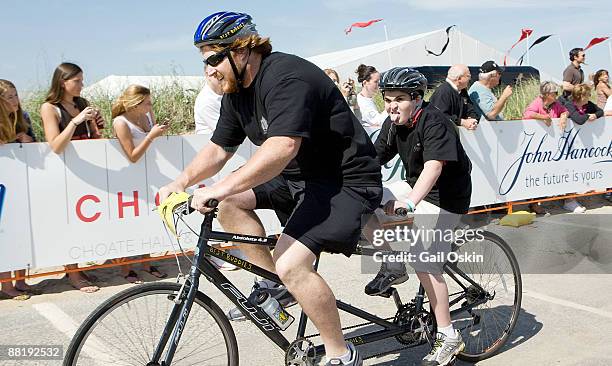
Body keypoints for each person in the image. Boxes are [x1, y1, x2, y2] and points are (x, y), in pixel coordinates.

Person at [159, 12, 382, 366]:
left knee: (291, 262)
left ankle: (341, 353)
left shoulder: (286, 77)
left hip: (343, 179)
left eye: (214, 58)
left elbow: (282, 147)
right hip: (298, 177)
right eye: (204, 60)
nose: (209, 69)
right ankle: (274, 285)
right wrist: (180, 182)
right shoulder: (236, 92)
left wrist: (215, 188)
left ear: (244, 50)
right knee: (230, 204)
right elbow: (219, 148)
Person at [367, 67, 470, 366]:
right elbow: (374, 159)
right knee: (365, 200)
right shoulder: (393, 123)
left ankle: (449, 335)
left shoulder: (434, 121)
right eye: (387, 99)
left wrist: (409, 204)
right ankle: (393, 264)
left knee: (425, 262)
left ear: (416, 99)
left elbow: (433, 168)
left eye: (399, 99)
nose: (391, 106)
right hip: (418, 189)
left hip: (446, 198)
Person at [40, 62, 104, 293]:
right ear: (62, 82)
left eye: (81, 80)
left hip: (87, 171)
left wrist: (96, 126)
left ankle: (79, 269)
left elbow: (95, 140)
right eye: (76, 81)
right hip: (65, 173)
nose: (81, 85)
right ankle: (74, 273)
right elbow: (55, 144)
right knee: (69, 222)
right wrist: (76, 121)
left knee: (86, 221)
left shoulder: (82, 104)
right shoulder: (50, 108)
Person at [111, 84, 169, 282]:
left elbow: (150, 130)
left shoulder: (144, 117)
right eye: (147, 103)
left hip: (149, 174)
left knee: (148, 218)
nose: (150, 106)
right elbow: (132, 156)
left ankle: (146, 263)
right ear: (135, 104)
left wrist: (155, 127)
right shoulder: (120, 122)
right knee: (128, 222)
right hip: (129, 177)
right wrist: (151, 136)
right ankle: (126, 268)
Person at [193, 71, 246, 271]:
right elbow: (227, 132)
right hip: (214, 156)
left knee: (230, 201)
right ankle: (217, 251)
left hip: (223, 156)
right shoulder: (207, 100)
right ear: (208, 75)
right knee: (218, 203)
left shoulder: (222, 95)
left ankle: (241, 248)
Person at [0, 80, 41, 300]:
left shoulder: (23, 118)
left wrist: (28, 140)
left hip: (22, 180)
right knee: (5, 233)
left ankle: (21, 280)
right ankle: (6, 284)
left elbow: (36, 144)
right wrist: (13, 140)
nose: (15, 101)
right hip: (3, 184)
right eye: (9, 97)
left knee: (22, 231)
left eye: (16, 95)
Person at [522, 81, 570, 215]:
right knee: (536, 173)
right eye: (555, 93)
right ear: (547, 94)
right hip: (536, 145)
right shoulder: (537, 102)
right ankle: (533, 204)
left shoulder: (555, 104)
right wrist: (542, 116)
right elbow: (527, 114)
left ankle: (543, 201)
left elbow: (565, 111)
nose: (557, 95)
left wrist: (563, 117)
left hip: (550, 145)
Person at [559, 84, 604, 213]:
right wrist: (588, 116)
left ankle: (576, 196)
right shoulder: (569, 104)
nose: (590, 97)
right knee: (569, 169)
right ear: (581, 96)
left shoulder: (588, 104)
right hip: (568, 143)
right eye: (588, 94)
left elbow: (599, 111)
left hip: (583, 144)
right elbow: (578, 119)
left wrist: (595, 115)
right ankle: (568, 200)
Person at [428, 64, 479, 130]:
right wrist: (462, 122)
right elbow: (440, 116)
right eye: (468, 76)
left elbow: (470, 109)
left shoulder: (462, 91)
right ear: (459, 79)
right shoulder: (443, 92)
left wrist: (472, 119)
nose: (470, 79)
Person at [194, 69, 224, 135]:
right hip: (209, 141)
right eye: (215, 74)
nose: (221, 77)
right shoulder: (206, 100)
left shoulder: (223, 94)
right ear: (207, 74)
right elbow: (225, 130)